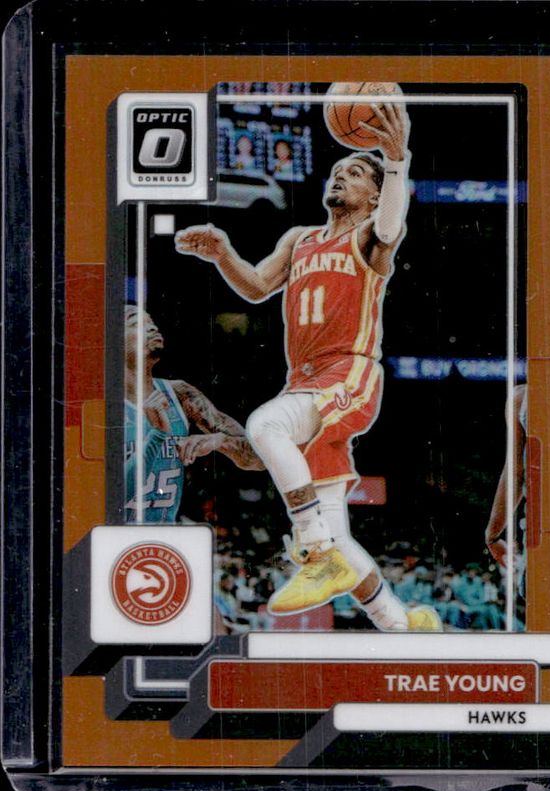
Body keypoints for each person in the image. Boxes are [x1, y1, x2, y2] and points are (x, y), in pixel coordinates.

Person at [175, 102, 441, 632]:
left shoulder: (369, 237)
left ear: (374, 195)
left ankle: (313, 548)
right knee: (341, 535)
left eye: (355, 173)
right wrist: (224, 254)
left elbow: (392, 224)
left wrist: (396, 161)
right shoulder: (300, 239)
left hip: (349, 373)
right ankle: (404, 626)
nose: (341, 175)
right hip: (305, 382)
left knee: (265, 424)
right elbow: (256, 286)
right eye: (337, 170)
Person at [124, 305, 262, 522]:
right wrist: (157, 436)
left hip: (164, 534)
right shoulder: (95, 406)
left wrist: (220, 441)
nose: (152, 328)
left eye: (152, 322)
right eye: (137, 323)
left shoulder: (180, 394)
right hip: (109, 533)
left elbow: (260, 458)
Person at [484, 384, 527, 578]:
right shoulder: (522, 397)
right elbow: (515, 472)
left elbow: (515, 472)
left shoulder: (523, 397)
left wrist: (493, 536)